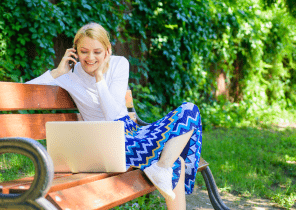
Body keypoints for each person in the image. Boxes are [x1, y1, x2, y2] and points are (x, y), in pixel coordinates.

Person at [26, 22, 202, 210]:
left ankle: (161, 167)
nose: (90, 58)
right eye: (84, 51)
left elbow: (114, 112)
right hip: (104, 142)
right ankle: (162, 167)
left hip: (130, 131)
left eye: (97, 52)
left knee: (190, 110)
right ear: (75, 50)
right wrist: (57, 72)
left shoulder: (119, 64)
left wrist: (100, 77)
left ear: (107, 50)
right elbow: (27, 95)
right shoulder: (68, 76)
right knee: (176, 160)